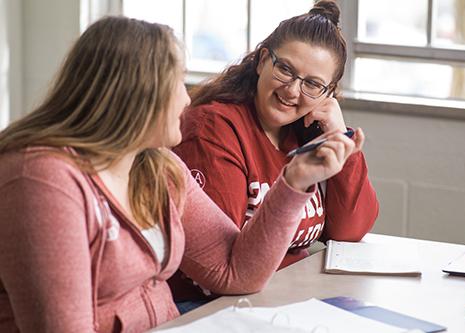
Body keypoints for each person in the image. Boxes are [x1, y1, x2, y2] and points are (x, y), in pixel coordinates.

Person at [0, 15, 363, 333]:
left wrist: (294, 182)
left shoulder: (156, 165)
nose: (188, 99)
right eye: (178, 83)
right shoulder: (40, 179)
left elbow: (235, 272)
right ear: (137, 95)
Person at [170, 0, 379, 306]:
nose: (293, 91)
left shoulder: (304, 134)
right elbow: (224, 271)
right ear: (262, 60)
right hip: (211, 307)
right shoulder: (212, 129)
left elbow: (349, 231)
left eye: (313, 84)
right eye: (285, 70)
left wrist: (339, 138)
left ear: (328, 93)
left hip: (284, 297)